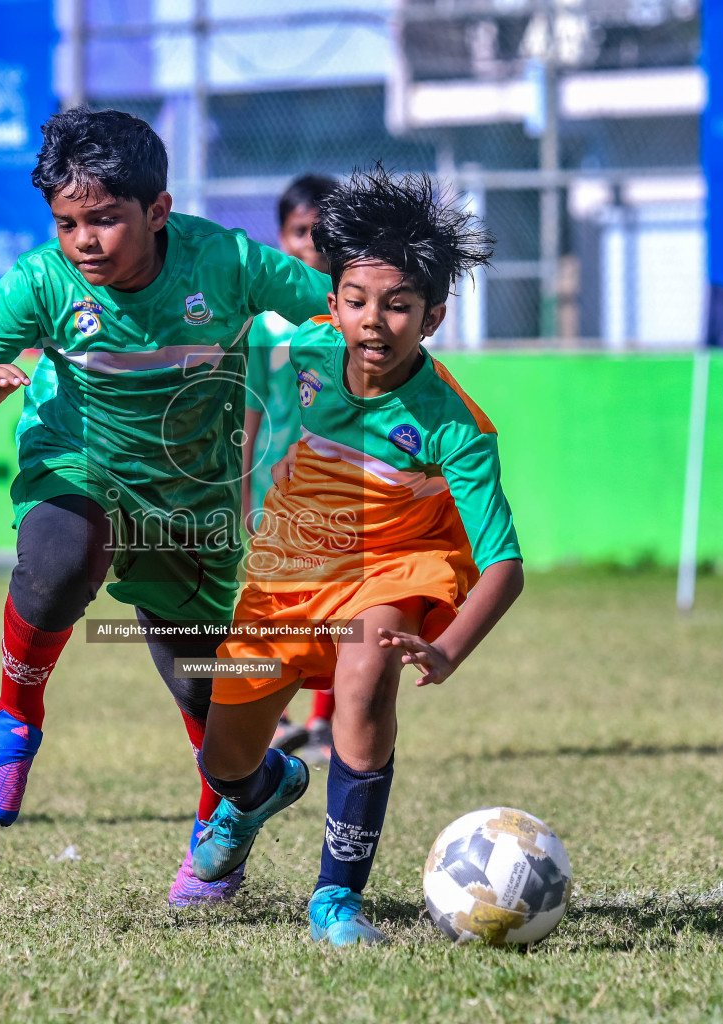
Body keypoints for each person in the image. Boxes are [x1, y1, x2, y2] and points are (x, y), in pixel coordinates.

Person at [0, 107, 331, 905]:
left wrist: (354, 370)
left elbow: (336, 309)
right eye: (68, 223)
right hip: (78, 465)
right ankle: (14, 714)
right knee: (58, 558)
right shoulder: (43, 281)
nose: (85, 241)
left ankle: (227, 824)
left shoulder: (228, 263)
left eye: (104, 219)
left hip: (190, 502)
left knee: (205, 694)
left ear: (159, 211)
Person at [189, 168, 525, 945]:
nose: (375, 322)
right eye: (357, 300)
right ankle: (263, 787)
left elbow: (503, 562)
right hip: (291, 569)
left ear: (433, 316)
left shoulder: (456, 425)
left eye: (399, 305)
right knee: (223, 759)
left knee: (367, 676)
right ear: (333, 301)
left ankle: (336, 899)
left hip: (397, 564)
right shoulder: (305, 353)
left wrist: (447, 648)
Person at [241, 174, 341, 765]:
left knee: (332, 602)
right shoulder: (266, 324)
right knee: (262, 603)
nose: (312, 242)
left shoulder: (355, 315)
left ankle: (326, 721)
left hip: (330, 487)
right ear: (282, 237)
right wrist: (238, 484)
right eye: (301, 231)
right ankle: (272, 718)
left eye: (322, 231)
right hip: (266, 490)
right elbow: (251, 405)